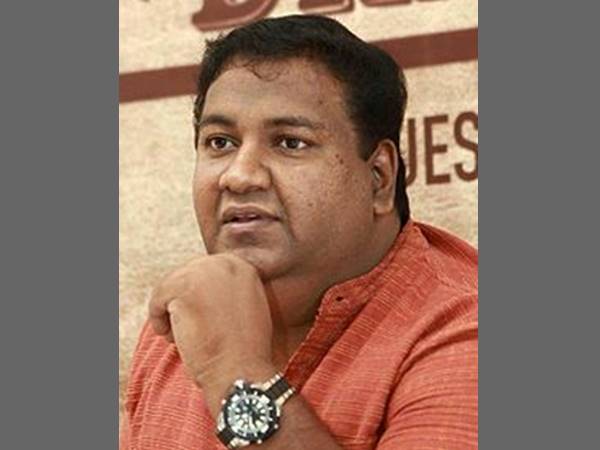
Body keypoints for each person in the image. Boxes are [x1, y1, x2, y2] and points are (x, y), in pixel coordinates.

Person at [120, 14, 477, 450]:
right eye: (220, 142)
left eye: (290, 142)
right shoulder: (182, 319)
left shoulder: (468, 332)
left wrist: (232, 370)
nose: (239, 175)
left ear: (379, 179)